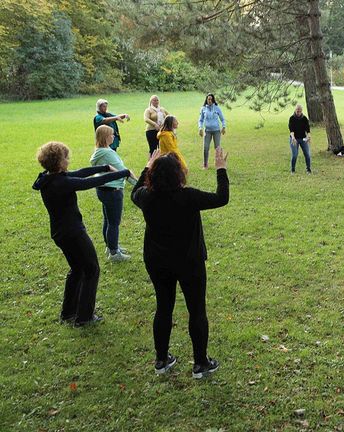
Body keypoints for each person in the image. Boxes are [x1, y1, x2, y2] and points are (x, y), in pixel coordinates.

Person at [131, 147, 229, 378]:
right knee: (196, 309)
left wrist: (148, 165)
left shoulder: (146, 196)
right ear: (179, 175)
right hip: (189, 263)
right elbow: (221, 198)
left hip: (157, 263)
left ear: (152, 176)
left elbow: (134, 191)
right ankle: (201, 363)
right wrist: (221, 168)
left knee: (163, 306)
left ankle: (162, 360)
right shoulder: (188, 196)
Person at [33, 142, 132, 326]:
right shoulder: (61, 183)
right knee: (91, 269)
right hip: (73, 233)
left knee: (77, 269)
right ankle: (85, 317)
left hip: (60, 233)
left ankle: (68, 312)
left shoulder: (48, 178)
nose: (68, 161)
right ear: (59, 161)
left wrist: (104, 167)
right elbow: (87, 182)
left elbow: (79, 173)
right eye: (66, 158)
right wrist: (123, 172)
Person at [90, 125, 137, 262]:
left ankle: (111, 246)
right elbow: (123, 171)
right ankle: (114, 253)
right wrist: (139, 184)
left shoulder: (100, 151)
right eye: (111, 134)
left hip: (103, 190)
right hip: (112, 191)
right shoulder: (107, 153)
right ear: (105, 137)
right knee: (114, 223)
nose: (114, 136)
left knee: (108, 220)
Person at [198, 93, 226, 169]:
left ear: (213, 100)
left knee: (217, 148)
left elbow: (222, 119)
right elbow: (200, 120)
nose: (209, 100)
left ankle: (219, 164)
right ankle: (205, 165)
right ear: (206, 100)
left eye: (211, 99)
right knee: (206, 148)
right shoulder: (203, 109)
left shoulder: (217, 108)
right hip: (207, 131)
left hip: (216, 131)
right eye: (208, 99)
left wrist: (223, 127)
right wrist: (200, 128)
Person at [288, 104, 312, 174]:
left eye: (300, 111)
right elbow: (291, 130)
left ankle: (308, 169)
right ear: (295, 110)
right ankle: (292, 170)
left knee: (307, 154)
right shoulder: (291, 118)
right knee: (295, 155)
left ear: (301, 111)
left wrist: (309, 137)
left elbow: (308, 130)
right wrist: (293, 138)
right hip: (294, 139)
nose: (298, 113)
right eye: (297, 111)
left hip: (303, 139)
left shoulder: (304, 119)